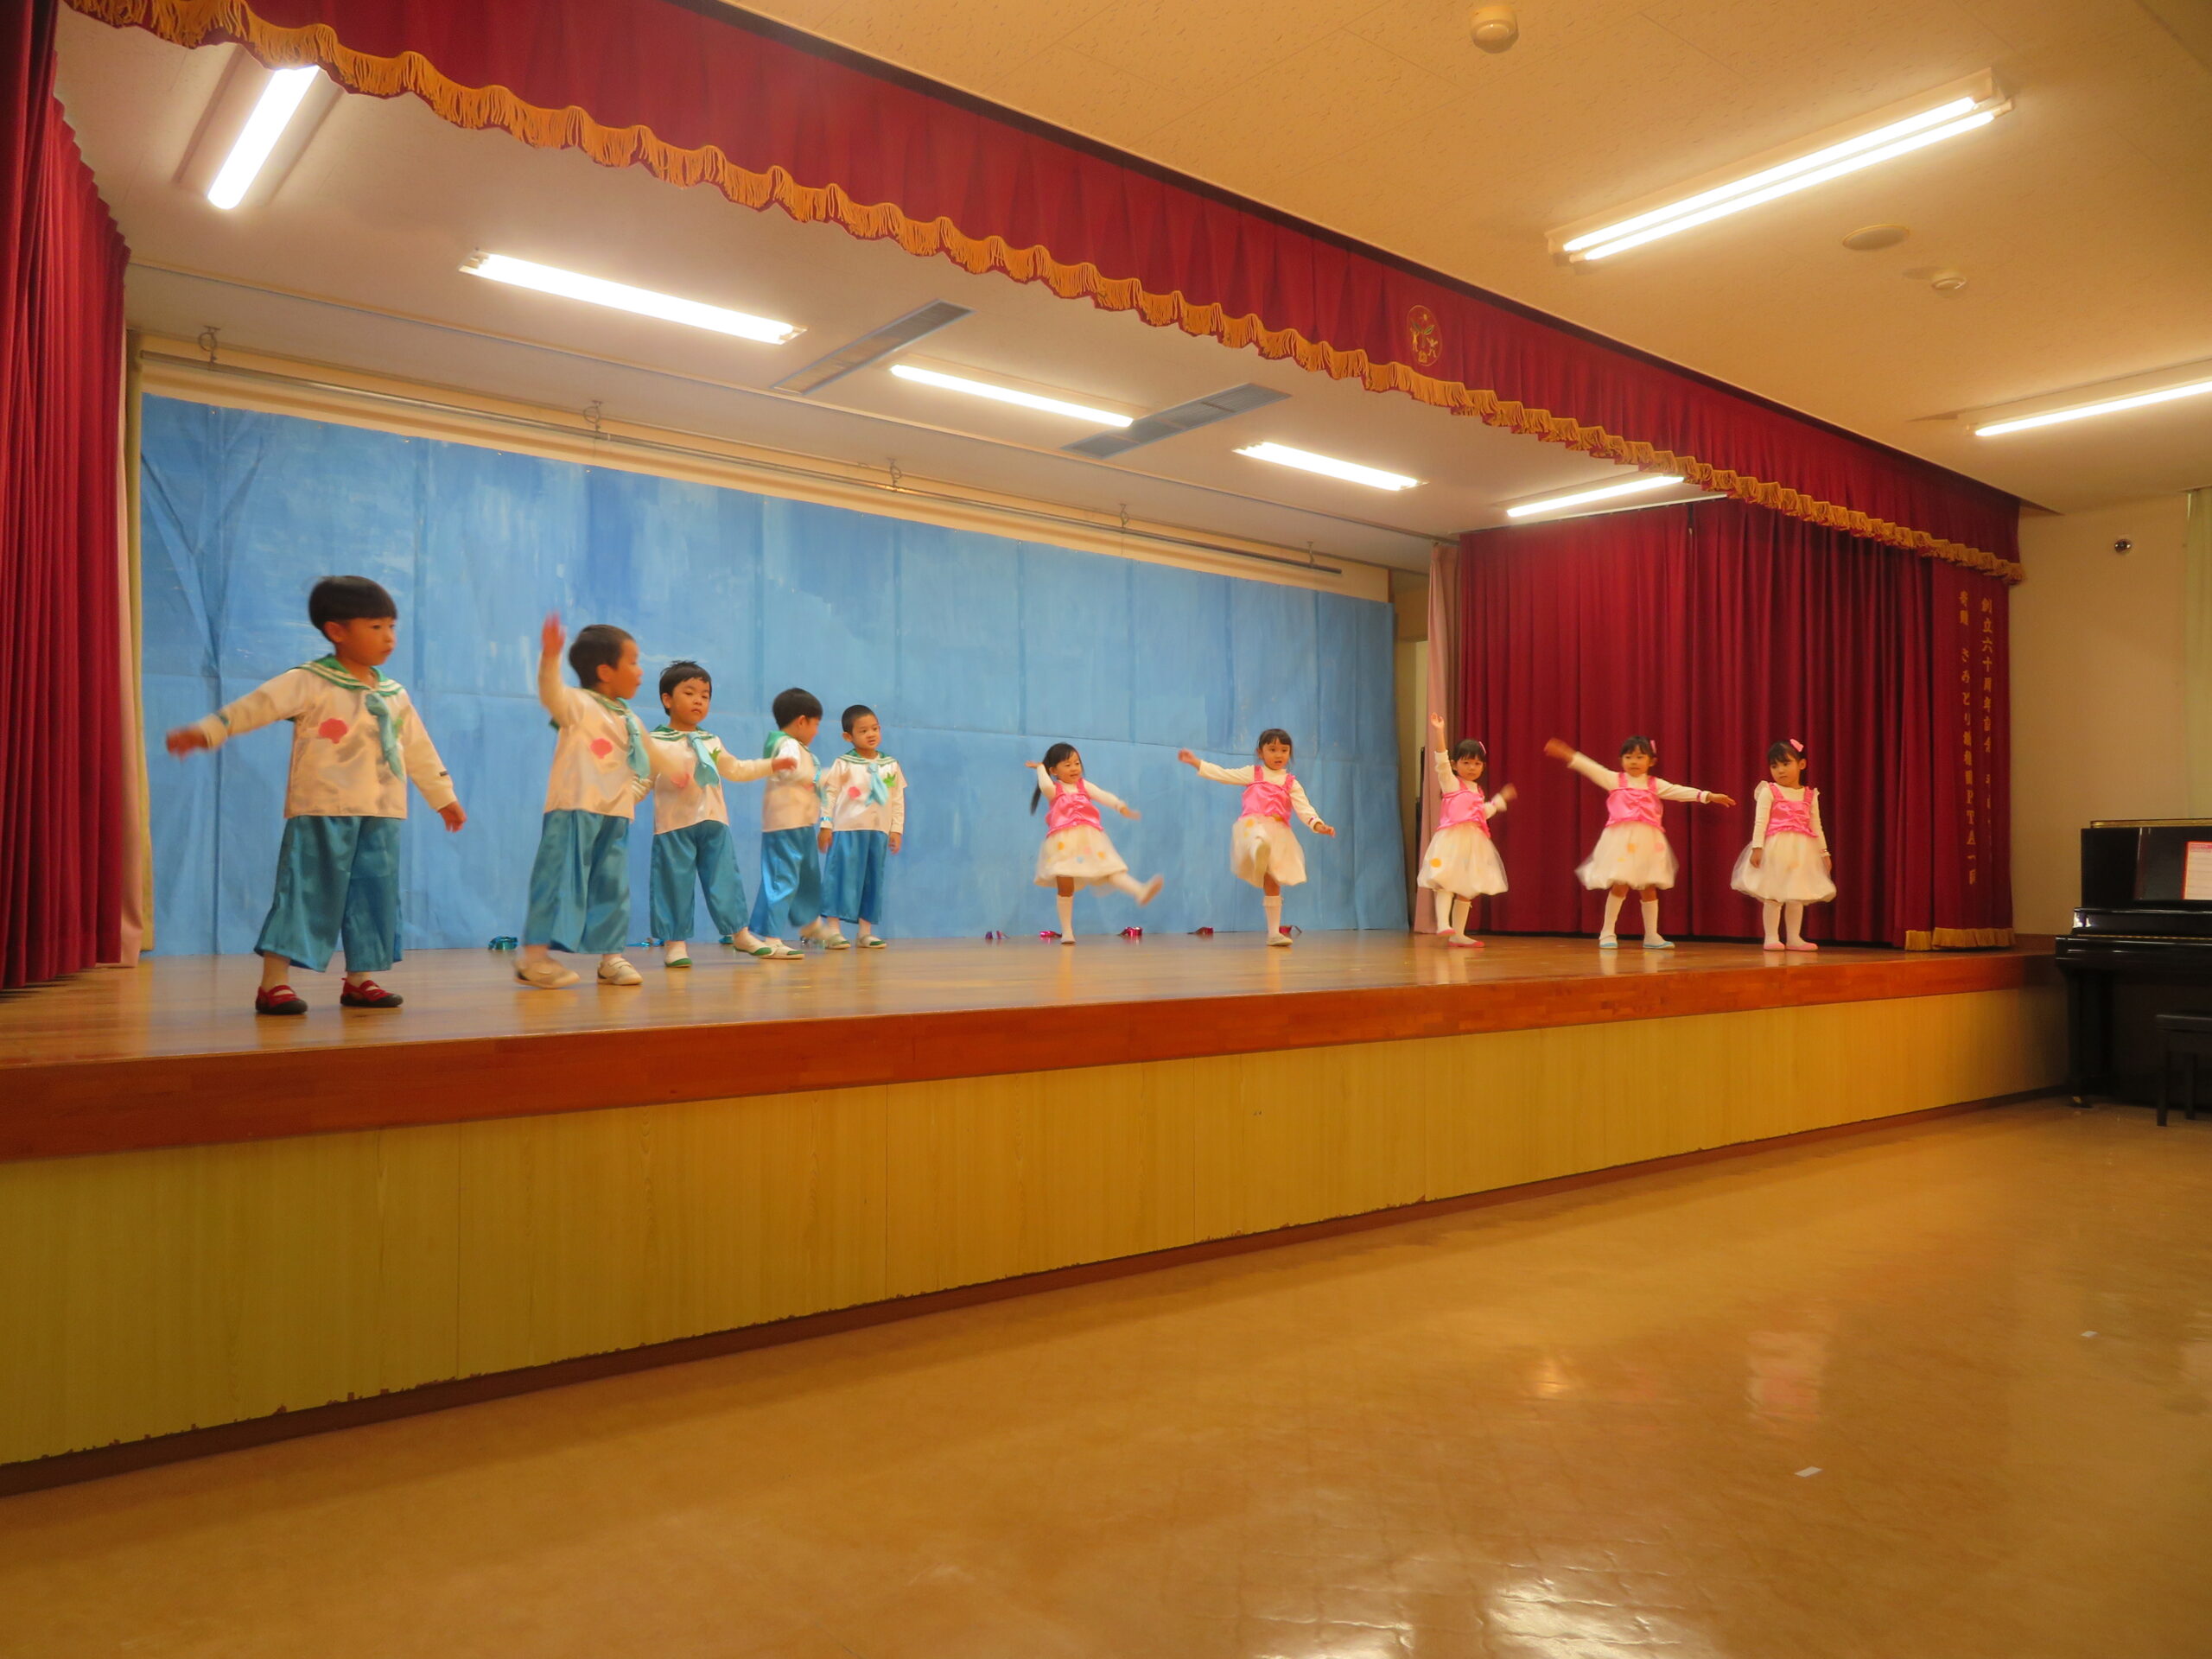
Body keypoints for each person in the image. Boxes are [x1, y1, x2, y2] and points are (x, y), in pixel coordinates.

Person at [164, 574, 462, 1014]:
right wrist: (208, 731)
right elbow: (257, 706)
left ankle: (360, 979)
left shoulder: (394, 694)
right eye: (375, 627)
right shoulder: (309, 681)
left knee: (375, 894)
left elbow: (418, 749)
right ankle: (273, 983)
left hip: (382, 812)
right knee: (307, 892)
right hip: (323, 807)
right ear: (337, 631)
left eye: (391, 627)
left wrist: (443, 797)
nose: (388, 637)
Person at [516, 615, 662, 989]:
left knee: (613, 886)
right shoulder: (577, 704)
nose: (640, 671)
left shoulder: (630, 718)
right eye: (633, 662)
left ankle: (611, 958)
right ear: (605, 672)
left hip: (616, 815)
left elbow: (654, 760)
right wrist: (550, 657)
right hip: (574, 808)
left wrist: (669, 776)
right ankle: (534, 958)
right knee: (558, 880)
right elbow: (551, 692)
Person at [647, 660, 798, 969]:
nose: (699, 701)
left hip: (714, 822)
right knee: (674, 883)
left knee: (726, 879)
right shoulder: (654, 742)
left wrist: (771, 764)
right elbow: (641, 779)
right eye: (689, 693)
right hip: (674, 825)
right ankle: (675, 944)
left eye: (705, 695)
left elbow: (737, 769)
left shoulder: (711, 741)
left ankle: (739, 933)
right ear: (667, 699)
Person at [1545, 734, 1735, 950]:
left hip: (1649, 842)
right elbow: (1591, 768)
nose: (1634, 762)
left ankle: (1652, 935)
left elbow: (1679, 791)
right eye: (1628, 757)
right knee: (1620, 884)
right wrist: (1567, 754)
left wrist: (1708, 796)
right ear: (1621, 760)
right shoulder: (1614, 780)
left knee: (1648, 886)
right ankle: (1607, 932)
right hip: (1621, 842)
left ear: (1651, 761)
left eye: (1639, 757)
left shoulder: (1655, 785)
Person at [1175, 728, 1333, 946]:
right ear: (1260, 752)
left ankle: (1273, 933)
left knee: (1273, 881)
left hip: (1278, 831)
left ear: (1290, 753)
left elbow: (1304, 808)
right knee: (1257, 834)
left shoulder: (1290, 783)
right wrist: (1196, 762)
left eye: (1284, 750)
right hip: (1252, 824)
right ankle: (1257, 848)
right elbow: (1223, 774)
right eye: (1272, 749)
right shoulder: (1254, 774)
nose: (1278, 755)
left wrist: (1317, 824)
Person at [1027, 743, 1163, 943]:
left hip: (1090, 839)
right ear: (1054, 771)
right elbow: (1045, 786)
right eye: (1067, 765)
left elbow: (1103, 795)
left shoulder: (1084, 786)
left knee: (1111, 869)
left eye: (1077, 763)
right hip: (1063, 842)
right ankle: (1067, 931)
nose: (1074, 768)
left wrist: (1120, 806)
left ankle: (1140, 890)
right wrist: (1040, 768)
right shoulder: (1054, 790)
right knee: (1065, 884)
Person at [1730, 737, 1835, 952]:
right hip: (1776, 848)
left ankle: (1794, 938)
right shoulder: (1769, 791)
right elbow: (1760, 821)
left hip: (1802, 851)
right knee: (1774, 893)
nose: (1780, 770)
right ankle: (1771, 937)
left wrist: (1824, 853)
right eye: (1774, 766)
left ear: (1801, 764)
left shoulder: (1809, 795)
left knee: (1796, 893)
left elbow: (1817, 825)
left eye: (1786, 764)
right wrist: (1757, 848)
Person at [1418, 714, 1515, 948]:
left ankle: (1458, 934)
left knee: (1467, 888)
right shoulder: (1451, 783)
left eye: (1477, 764)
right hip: (1450, 841)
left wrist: (1499, 800)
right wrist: (1439, 731)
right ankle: (1443, 923)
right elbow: (1441, 760)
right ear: (1455, 765)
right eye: (1467, 762)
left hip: (1473, 843)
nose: (1472, 768)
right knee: (1445, 881)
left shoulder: (1477, 791)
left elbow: (1481, 813)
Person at [816, 703, 906, 950]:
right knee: (840, 878)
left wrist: (896, 829)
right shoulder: (843, 763)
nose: (871, 734)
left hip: (878, 831)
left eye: (875, 728)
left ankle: (865, 932)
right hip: (846, 829)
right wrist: (826, 824)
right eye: (863, 731)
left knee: (872, 880)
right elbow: (830, 795)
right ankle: (833, 931)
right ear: (848, 736)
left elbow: (897, 799)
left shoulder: (891, 765)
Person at [748, 687, 831, 952]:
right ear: (802, 721)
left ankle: (810, 923)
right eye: (816, 724)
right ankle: (771, 938)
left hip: (802, 823)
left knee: (807, 877)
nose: (817, 731)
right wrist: (822, 777)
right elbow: (789, 771)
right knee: (781, 879)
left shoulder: (801, 749)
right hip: (784, 825)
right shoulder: (786, 744)